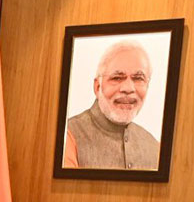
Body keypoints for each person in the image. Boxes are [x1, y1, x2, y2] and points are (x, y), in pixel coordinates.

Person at [62, 39, 159, 170]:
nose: (128, 88)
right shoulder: (67, 135)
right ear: (97, 87)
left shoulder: (155, 147)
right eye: (117, 78)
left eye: (138, 78)